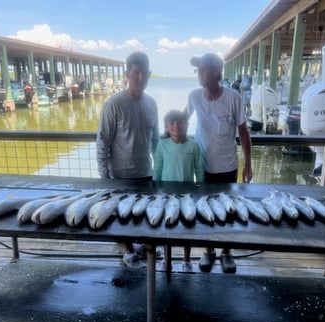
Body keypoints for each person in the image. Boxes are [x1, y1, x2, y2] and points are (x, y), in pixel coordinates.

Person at [186, 53, 253, 274]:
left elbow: (243, 131)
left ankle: (226, 252)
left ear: (216, 72)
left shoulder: (233, 98)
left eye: (204, 69)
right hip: (202, 166)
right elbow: (181, 119)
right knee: (205, 210)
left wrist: (248, 164)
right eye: (198, 70)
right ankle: (208, 251)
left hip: (227, 166)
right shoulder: (194, 96)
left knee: (228, 211)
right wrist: (167, 144)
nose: (200, 74)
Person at [96, 51, 159, 269]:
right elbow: (102, 142)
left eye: (145, 73)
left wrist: (161, 169)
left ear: (150, 74)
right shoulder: (114, 104)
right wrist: (105, 179)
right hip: (120, 175)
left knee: (143, 215)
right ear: (127, 74)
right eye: (136, 73)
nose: (140, 78)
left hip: (146, 173)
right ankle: (128, 251)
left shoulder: (152, 103)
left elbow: (156, 141)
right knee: (121, 217)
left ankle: (141, 247)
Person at [153, 109, 204, 273]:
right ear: (167, 127)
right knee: (166, 226)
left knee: (187, 226)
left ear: (186, 125)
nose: (176, 126)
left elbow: (199, 170)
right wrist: (156, 189)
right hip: (167, 194)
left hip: (187, 195)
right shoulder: (162, 145)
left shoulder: (193, 145)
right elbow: (157, 169)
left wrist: (200, 188)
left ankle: (187, 259)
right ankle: (166, 258)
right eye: (172, 123)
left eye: (180, 122)